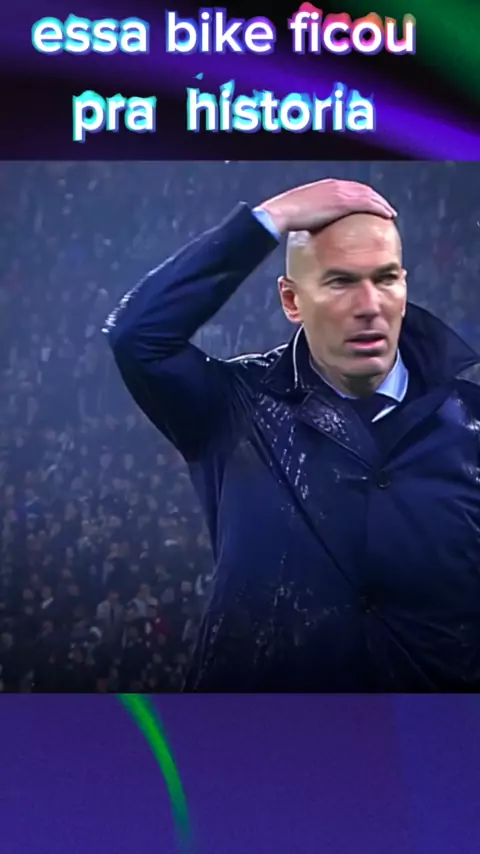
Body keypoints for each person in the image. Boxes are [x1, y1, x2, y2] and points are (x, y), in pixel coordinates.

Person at [105, 178, 480, 692]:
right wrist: (272, 218)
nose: (369, 304)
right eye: (340, 282)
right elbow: (136, 336)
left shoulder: (471, 421)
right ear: (292, 300)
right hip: (262, 732)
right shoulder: (234, 406)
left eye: (385, 278)